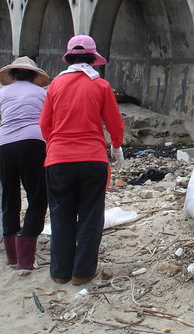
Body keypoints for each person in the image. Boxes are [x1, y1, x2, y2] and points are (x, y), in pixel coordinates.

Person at [39, 35, 126, 285]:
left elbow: (45, 124)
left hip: (58, 160)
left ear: (70, 58)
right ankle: (82, 272)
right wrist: (116, 148)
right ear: (92, 59)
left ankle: (60, 273)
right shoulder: (101, 86)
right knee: (90, 215)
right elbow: (115, 125)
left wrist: (55, 146)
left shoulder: (55, 85)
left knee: (60, 214)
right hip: (93, 160)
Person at [0, 56, 50, 270]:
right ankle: (26, 257)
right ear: (34, 76)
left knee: (10, 195)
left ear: (13, 75)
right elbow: (52, 120)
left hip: (4, 147)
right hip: (34, 145)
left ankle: (12, 256)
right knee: (37, 195)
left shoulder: (1, 93)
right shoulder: (42, 93)